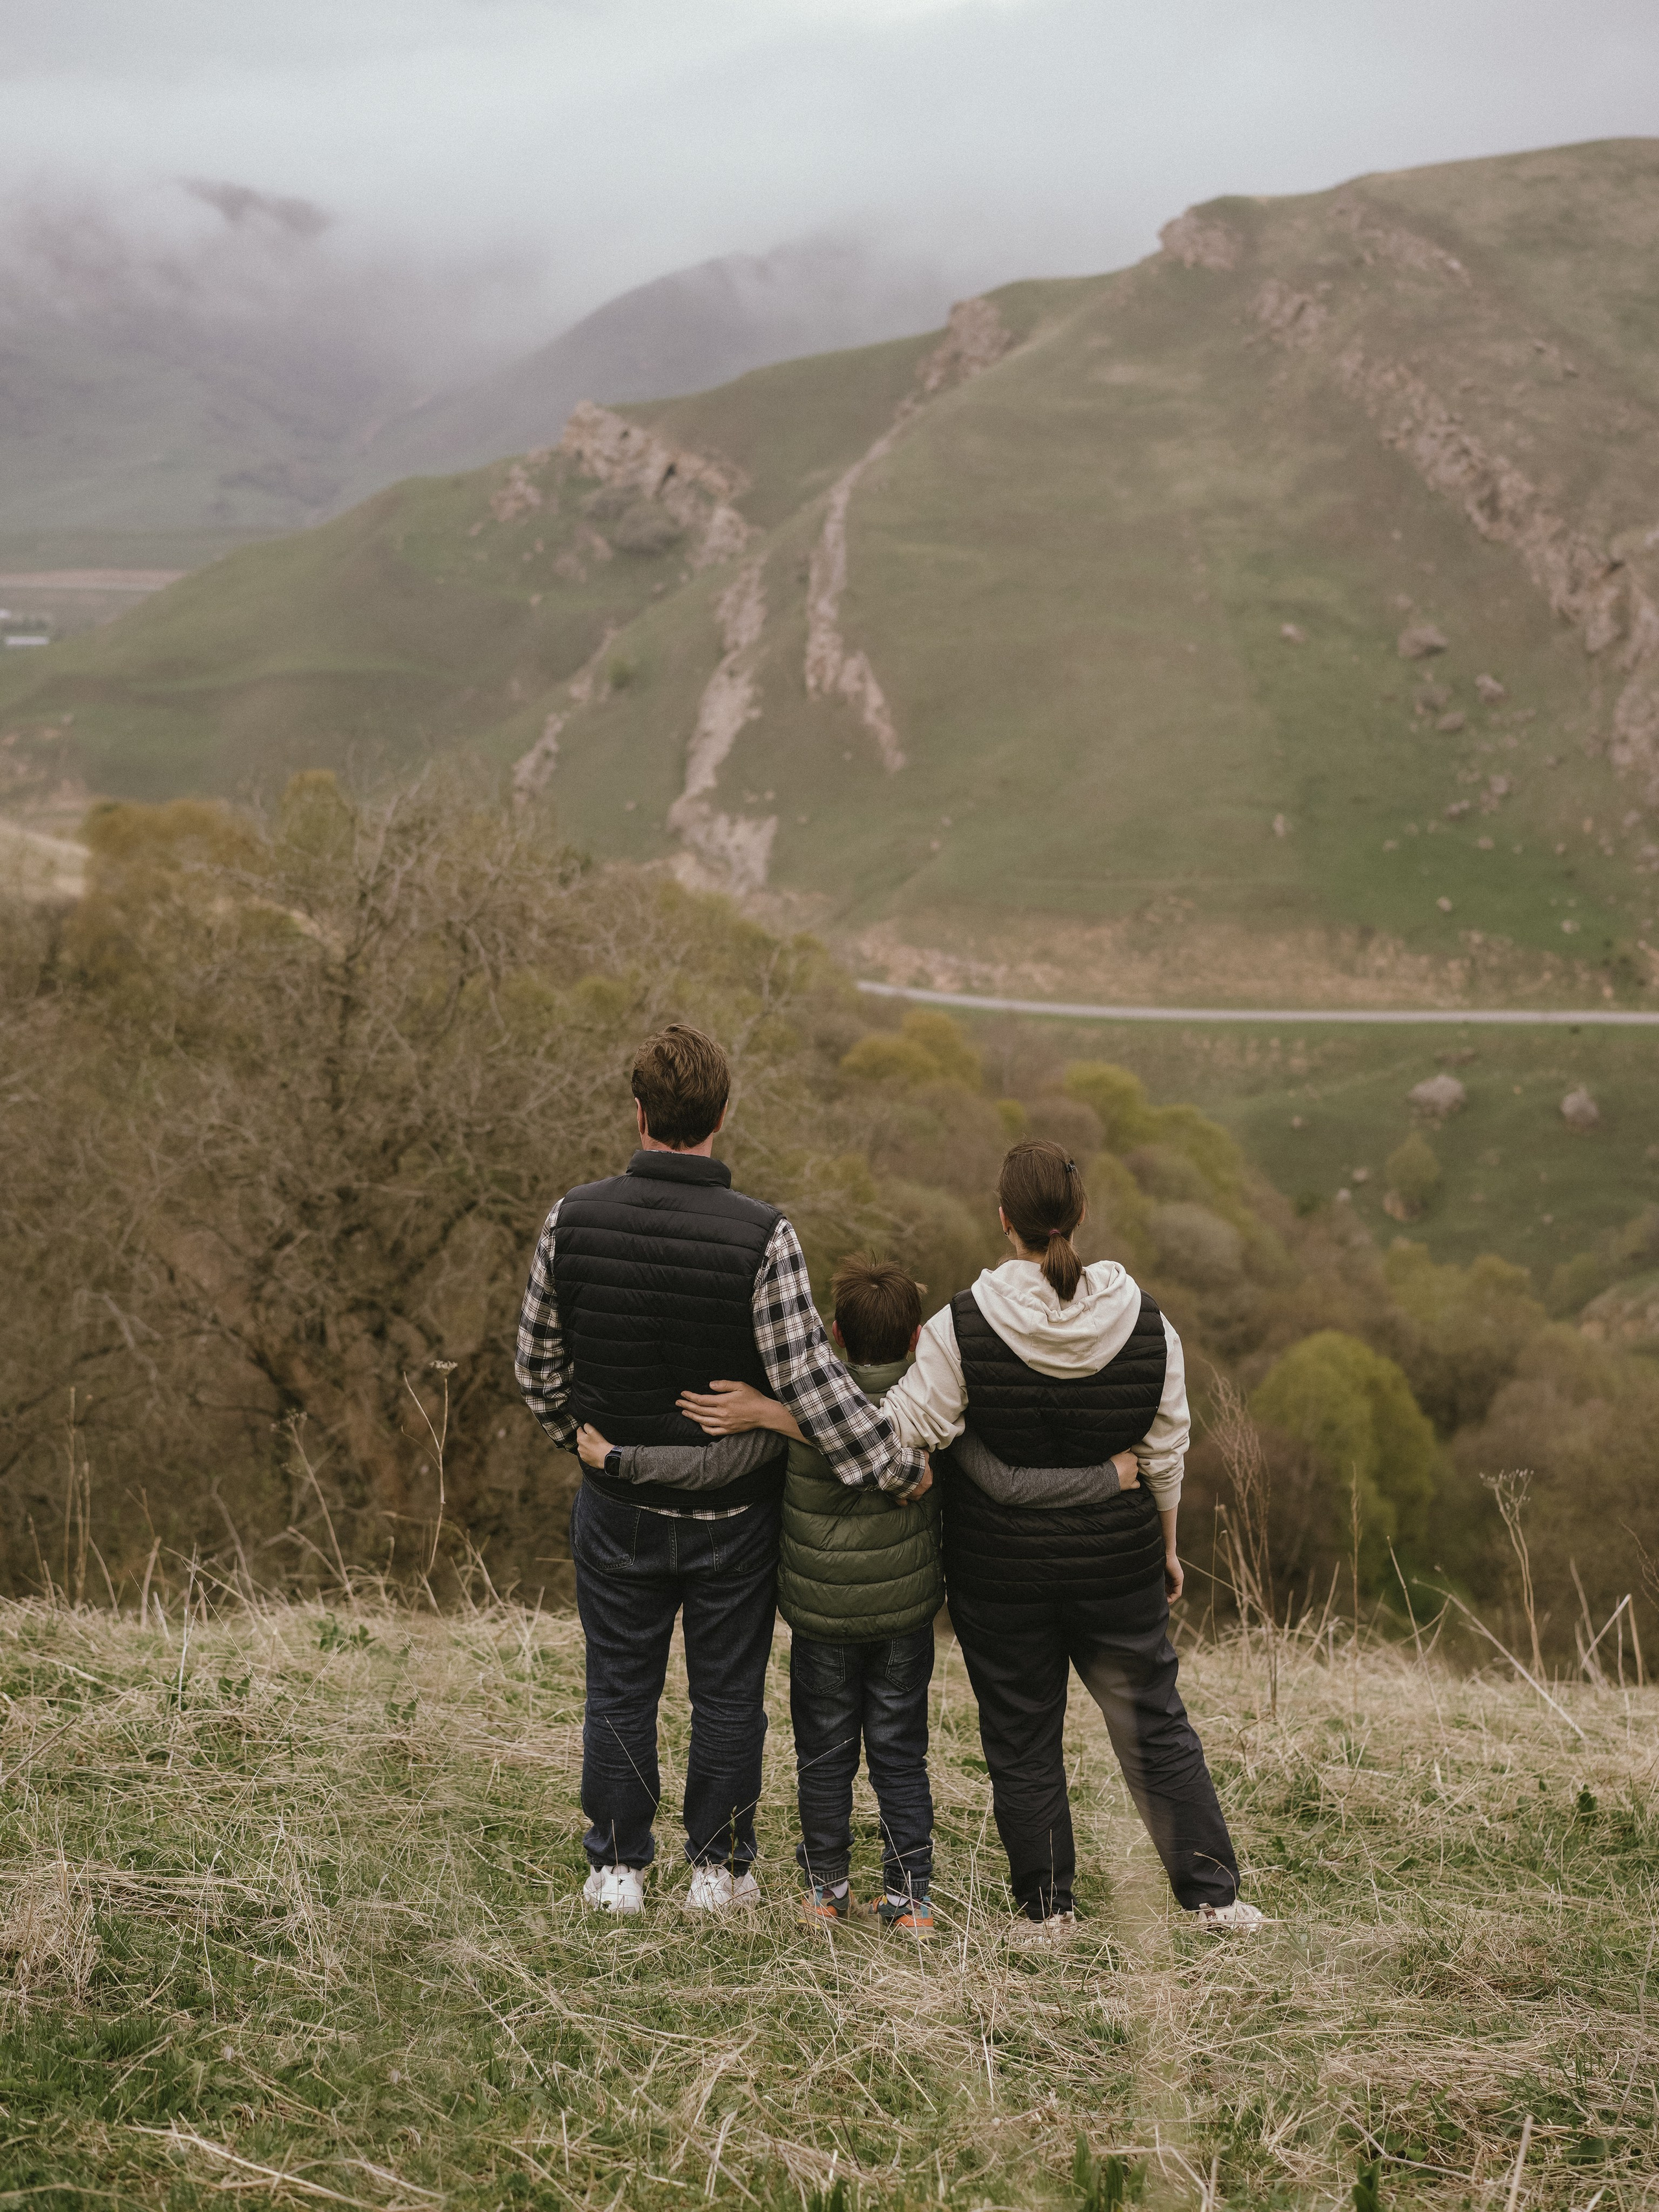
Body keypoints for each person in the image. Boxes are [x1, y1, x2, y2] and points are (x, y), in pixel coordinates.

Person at [690, 1137, 1258, 1938]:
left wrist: (779, 1412)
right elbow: (1166, 1451)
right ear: (1082, 1213)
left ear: (1002, 1219)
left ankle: (1046, 1908)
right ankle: (1212, 1898)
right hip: (1117, 1565)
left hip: (1001, 1575)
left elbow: (898, 1434)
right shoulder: (1150, 1325)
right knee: (1155, 1724)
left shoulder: (961, 1326)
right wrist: (1166, 1545)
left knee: (1024, 1738)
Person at [515, 1023, 929, 1918]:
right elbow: (814, 1387)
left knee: (619, 1685)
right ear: (723, 1115)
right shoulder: (763, 1236)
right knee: (728, 1693)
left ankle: (617, 1870)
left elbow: (537, 1370)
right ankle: (719, 1870)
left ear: (638, 1113)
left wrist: (592, 1448)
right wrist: (897, 1464)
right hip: (733, 1518)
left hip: (616, 1504)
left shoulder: (570, 1217)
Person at [644, 1255, 943, 1931]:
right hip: (903, 1616)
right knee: (900, 1750)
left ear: (833, 1333)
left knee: (825, 1752)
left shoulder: (805, 1403)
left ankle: (825, 1892)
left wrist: (771, 1413)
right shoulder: (931, 1399)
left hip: (820, 1615)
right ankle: (910, 1899)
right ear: (918, 1336)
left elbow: (824, 1430)